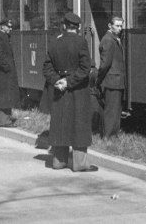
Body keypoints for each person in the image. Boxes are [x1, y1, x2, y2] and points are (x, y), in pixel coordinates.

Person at [42, 12, 97, 172]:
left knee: (61, 122)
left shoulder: (54, 42)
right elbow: (85, 68)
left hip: (60, 90)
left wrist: (57, 81)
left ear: (64, 26)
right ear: (78, 28)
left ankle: (59, 161)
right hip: (77, 90)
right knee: (79, 123)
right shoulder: (81, 42)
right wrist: (69, 82)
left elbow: (47, 67)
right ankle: (80, 164)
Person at [97, 16, 126, 138]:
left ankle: (113, 134)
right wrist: (99, 79)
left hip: (115, 80)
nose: (120, 28)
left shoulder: (113, 39)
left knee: (115, 109)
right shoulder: (109, 40)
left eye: (121, 26)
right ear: (110, 26)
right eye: (117, 26)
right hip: (112, 80)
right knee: (111, 110)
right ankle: (108, 136)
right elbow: (105, 64)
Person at [0, 18, 20, 127]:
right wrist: (7, 67)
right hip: (2, 72)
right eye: (8, 26)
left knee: (7, 96)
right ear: (2, 26)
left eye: (11, 27)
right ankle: (3, 121)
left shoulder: (3, 36)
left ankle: (6, 119)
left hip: (4, 71)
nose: (10, 28)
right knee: (3, 96)